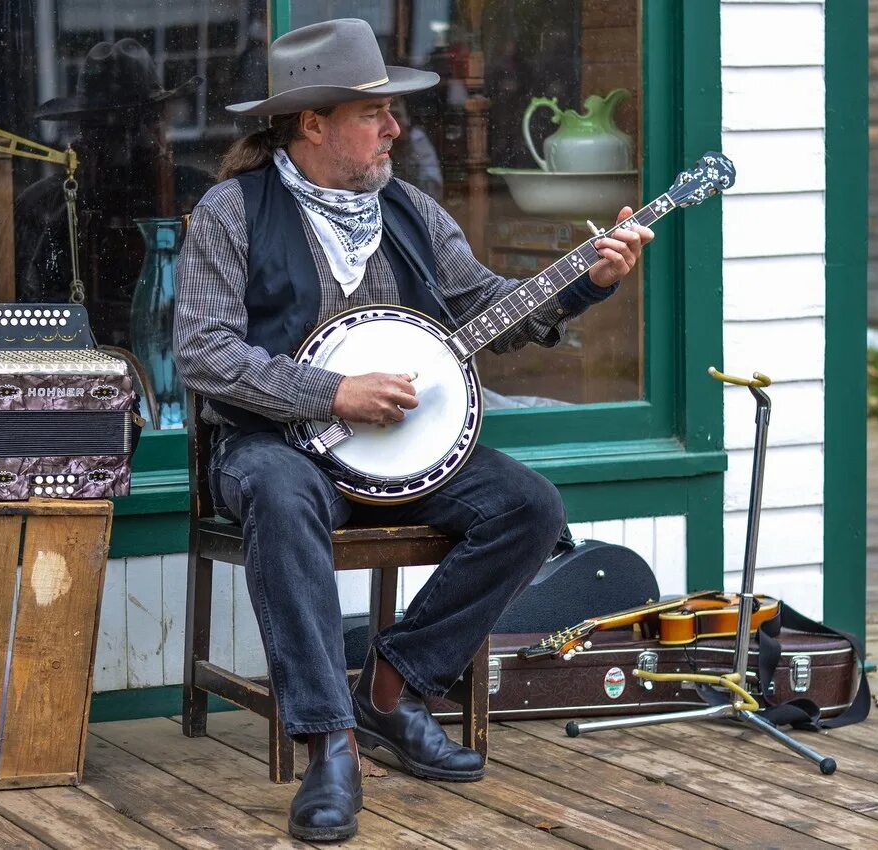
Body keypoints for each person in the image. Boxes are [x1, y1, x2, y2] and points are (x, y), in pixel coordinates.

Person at [173, 18, 653, 843]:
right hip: (275, 447)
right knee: (281, 499)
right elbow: (203, 353)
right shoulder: (231, 211)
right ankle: (329, 745)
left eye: (392, 112)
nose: (397, 127)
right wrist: (331, 392)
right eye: (375, 114)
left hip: (405, 457)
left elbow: (484, 309)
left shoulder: (409, 209)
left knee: (528, 506)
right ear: (312, 124)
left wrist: (584, 283)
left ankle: (392, 689)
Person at [15, 39, 210, 348]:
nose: (128, 147)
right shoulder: (46, 207)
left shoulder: (199, 198)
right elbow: (28, 309)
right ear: (83, 133)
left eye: (144, 122)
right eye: (110, 128)